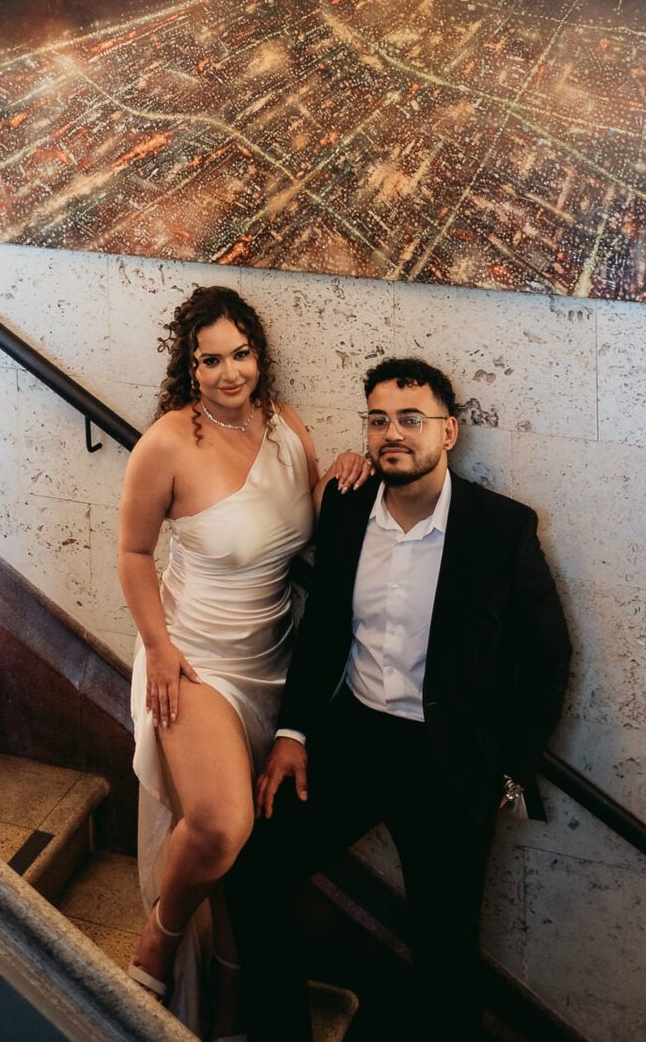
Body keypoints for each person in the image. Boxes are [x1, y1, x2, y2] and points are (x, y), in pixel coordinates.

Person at [226, 354, 573, 1042]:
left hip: (446, 758)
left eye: (411, 419)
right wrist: (293, 733)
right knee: (256, 872)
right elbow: (324, 629)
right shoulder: (348, 505)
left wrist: (505, 768)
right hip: (353, 735)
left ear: (448, 431)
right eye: (379, 419)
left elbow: (549, 658)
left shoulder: (500, 528)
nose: (393, 433)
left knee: (446, 952)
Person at [117, 285, 370, 1038]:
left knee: (251, 856)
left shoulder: (285, 426)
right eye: (211, 360)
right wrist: (159, 648)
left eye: (241, 354)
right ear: (189, 366)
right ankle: (160, 936)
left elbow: (303, 522)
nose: (230, 373)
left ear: (258, 355)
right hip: (194, 659)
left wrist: (341, 473)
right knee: (222, 823)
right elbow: (133, 553)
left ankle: (229, 1004)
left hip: (273, 661)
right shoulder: (167, 443)